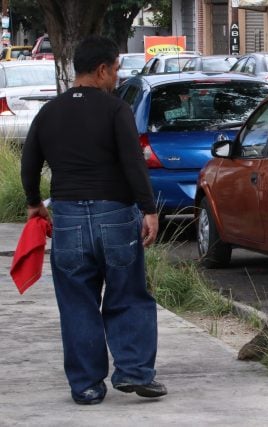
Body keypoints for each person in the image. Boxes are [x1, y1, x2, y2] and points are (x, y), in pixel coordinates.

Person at [20, 35, 166, 405]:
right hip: (115, 214)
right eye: (116, 70)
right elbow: (133, 162)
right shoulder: (115, 109)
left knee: (77, 300)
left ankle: (86, 385)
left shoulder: (50, 111)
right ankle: (134, 372)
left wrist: (35, 203)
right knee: (128, 293)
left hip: (68, 217)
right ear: (102, 70)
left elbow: (30, 161)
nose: (117, 77)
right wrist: (148, 209)